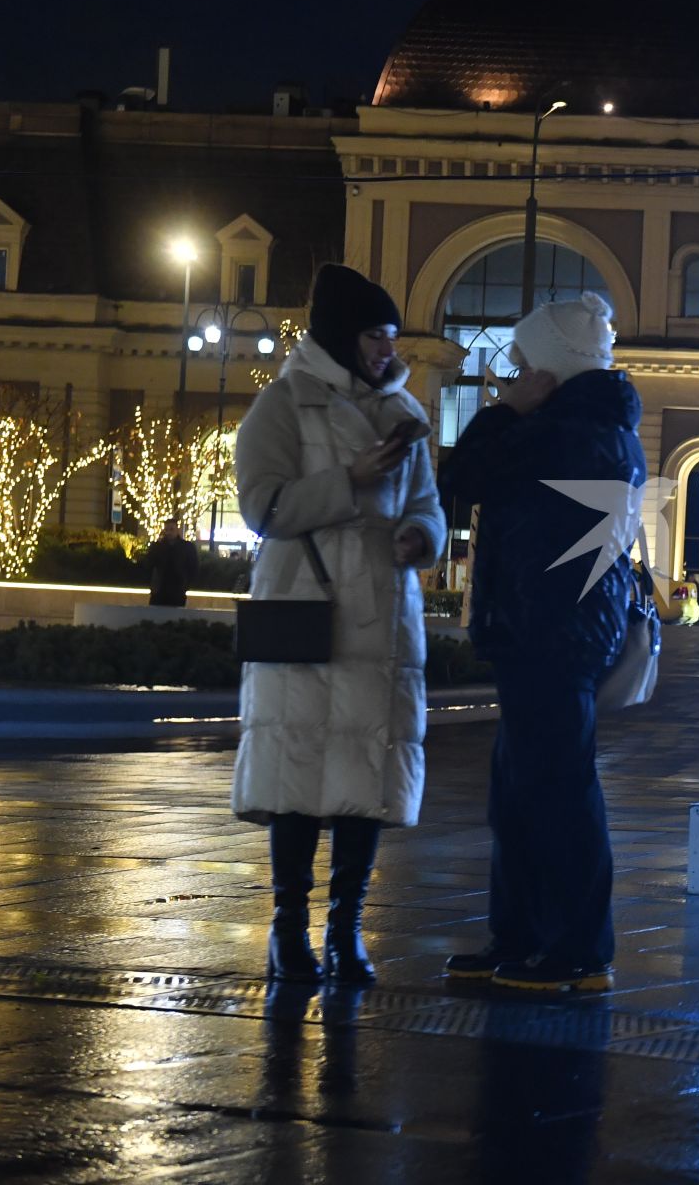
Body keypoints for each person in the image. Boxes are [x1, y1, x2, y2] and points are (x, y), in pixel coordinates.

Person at [232, 263, 445, 985]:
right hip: (305, 609)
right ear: (340, 336)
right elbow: (263, 509)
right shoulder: (283, 405)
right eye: (373, 335)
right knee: (296, 778)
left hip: (381, 616)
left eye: (390, 337)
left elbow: (427, 503)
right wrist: (348, 482)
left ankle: (346, 930)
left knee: (366, 779)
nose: (387, 349)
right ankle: (287, 929)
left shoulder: (403, 410)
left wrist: (422, 536)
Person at [439, 291, 646, 994]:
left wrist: (505, 411)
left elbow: (460, 476)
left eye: (524, 363)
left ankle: (577, 951)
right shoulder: (592, 424)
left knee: (553, 791)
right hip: (550, 629)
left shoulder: (566, 429)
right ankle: (525, 938)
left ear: (552, 368)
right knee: (524, 789)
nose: (511, 376)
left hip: (550, 632)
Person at [144, 520, 199, 607]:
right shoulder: (157, 547)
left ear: (178, 530)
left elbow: (193, 568)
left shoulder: (186, 547)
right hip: (160, 589)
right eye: (166, 530)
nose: (168, 532)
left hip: (177, 590)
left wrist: (185, 585)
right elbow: (148, 565)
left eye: (171, 529)